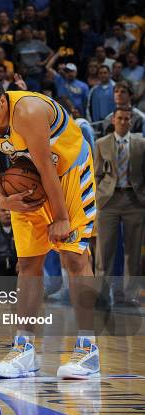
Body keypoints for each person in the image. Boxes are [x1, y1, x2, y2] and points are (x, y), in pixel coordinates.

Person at [0, 76, 100, 379]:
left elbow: (46, 166)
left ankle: (88, 348)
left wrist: (61, 217)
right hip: (29, 178)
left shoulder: (27, 111)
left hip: (68, 173)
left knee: (74, 258)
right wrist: (4, 199)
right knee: (27, 263)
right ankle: (24, 349)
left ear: (3, 100)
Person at [93, 107, 145, 305]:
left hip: (135, 200)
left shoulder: (141, 144)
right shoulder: (101, 143)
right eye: (120, 118)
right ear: (113, 120)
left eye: (126, 119)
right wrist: (100, 194)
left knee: (133, 250)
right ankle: (102, 295)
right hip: (109, 200)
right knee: (104, 251)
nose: (123, 122)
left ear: (131, 122)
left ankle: (128, 295)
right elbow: (97, 173)